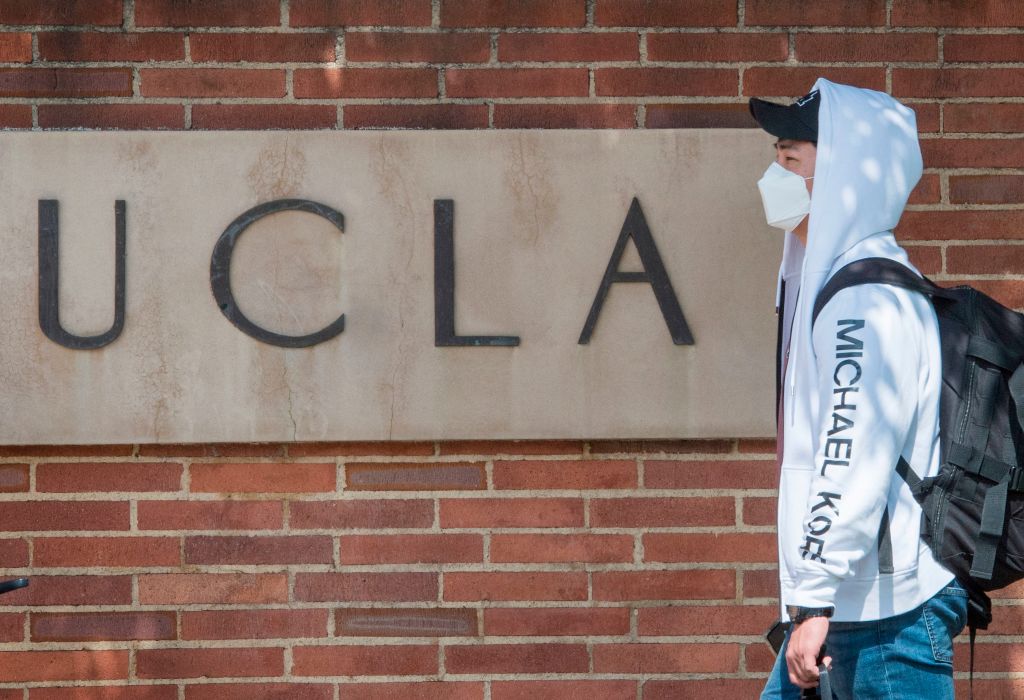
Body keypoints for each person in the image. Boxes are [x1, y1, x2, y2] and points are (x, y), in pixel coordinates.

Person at [751, 79, 968, 699]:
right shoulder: (847, 284)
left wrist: (814, 596)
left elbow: (852, 446)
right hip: (848, 608)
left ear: (847, 175)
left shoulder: (864, 301)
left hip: (883, 620)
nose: (775, 174)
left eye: (791, 158)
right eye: (775, 156)